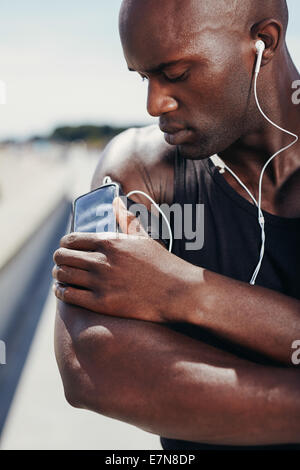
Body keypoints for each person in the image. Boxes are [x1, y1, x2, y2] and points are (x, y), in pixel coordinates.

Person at [52, 0, 300, 449]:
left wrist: (178, 289)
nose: (153, 104)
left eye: (177, 73)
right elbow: (92, 366)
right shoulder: (136, 167)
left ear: (263, 41)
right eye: (144, 77)